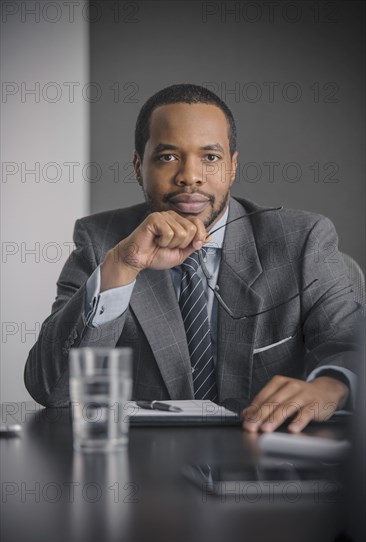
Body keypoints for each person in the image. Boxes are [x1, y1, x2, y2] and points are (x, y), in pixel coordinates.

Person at [24, 84, 360, 432]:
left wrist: (331, 384)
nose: (190, 176)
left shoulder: (302, 241)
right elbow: (52, 389)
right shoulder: (102, 242)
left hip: (267, 465)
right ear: (139, 166)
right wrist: (122, 267)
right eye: (168, 157)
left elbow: (349, 345)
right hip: (147, 473)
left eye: (210, 158)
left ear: (232, 167)